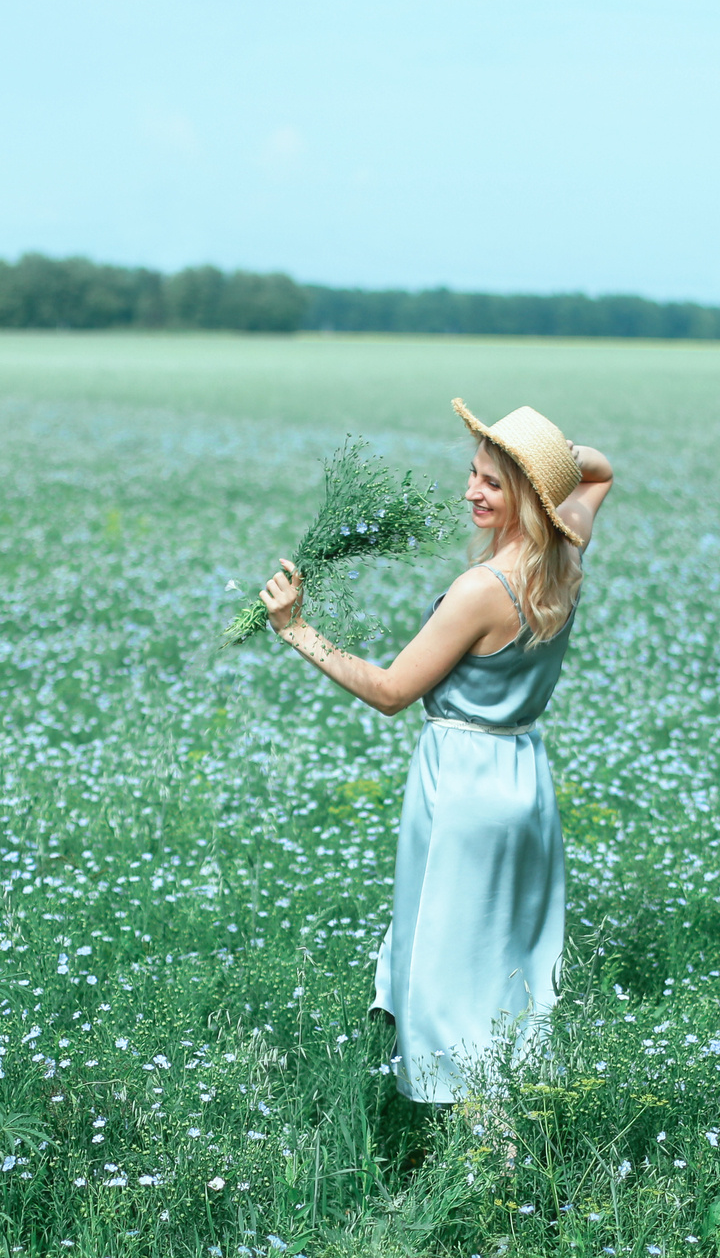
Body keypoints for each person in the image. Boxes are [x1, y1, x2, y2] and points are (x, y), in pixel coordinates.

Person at [260, 399, 613, 1112]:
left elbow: (391, 691)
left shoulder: (482, 590)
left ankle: (479, 1132)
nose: (471, 491)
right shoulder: (566, 552)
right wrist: (545, 458)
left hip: (462, 784)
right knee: (505, 958)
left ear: (528, 496)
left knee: (446, 967)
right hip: (523, 777)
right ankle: (514, 1103)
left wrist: (296, 628)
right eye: (474, 473)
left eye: (493, 482)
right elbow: (600, 473)